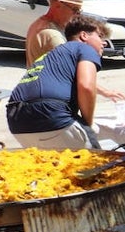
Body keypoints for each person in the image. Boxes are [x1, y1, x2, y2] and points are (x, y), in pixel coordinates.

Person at [7, 15, 111, 149]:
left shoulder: (51, 55)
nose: (104, 43)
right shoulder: (85, 49)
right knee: (94, 163)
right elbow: (86, 87)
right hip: (51, 113)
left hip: (17, 120)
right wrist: (87, 124)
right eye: (100, 36)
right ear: (84, 36)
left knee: (51, 166)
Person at [25, 0, 83, 67]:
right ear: (58, 5)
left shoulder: (39, 23)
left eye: (79, 11)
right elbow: (69, 69)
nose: (77, 15)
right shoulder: (53, 35)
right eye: (75, 9)